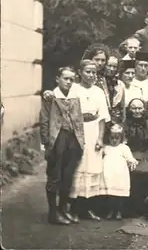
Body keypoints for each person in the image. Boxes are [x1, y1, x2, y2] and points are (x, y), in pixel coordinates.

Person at [40, 66, 85, 225]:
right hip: (57, 140)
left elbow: (78, 121)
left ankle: (62, 209)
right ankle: (53, 213)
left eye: (71, 79)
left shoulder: (74, 97)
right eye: (65, 78)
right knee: (55, 176)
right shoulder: (50, 97)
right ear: (58, 79)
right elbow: (45, 122)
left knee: (68, 177)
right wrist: (46, 144)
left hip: (72, 140)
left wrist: (81, 142)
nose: (68, 82)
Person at [69, 60, 111, 221]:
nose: (92, 75)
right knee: (77, 169)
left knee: (92, 168)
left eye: (94, 72)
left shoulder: (99, 91)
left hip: (93, 131)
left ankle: (88, 208)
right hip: (77, 131)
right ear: (80, 72)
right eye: (88, 72)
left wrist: (100, 137)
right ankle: (73, 209)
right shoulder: (73, 90)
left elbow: (102, 118)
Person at [123, 98, 148, 217]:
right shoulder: (125, 125)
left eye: (139, 108)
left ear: (144, 109)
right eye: (134, 108)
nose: (137, 111)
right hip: (130, 154)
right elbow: (122, 144)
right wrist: (128, 158)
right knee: (133, 172)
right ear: (129, 109)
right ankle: (132, 208)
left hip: (147, 155)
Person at [102, 124, 138, 220]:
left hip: (120, 174)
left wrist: (132, 162)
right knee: (110, 193)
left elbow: (130, 158)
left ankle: (118, 211)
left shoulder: (124, 148)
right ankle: (110, 210)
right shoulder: (106, 148)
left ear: (121, 138)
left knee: (119, 194)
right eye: (112, 138)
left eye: (117, 138)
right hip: (108, 173)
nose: (114, 140)